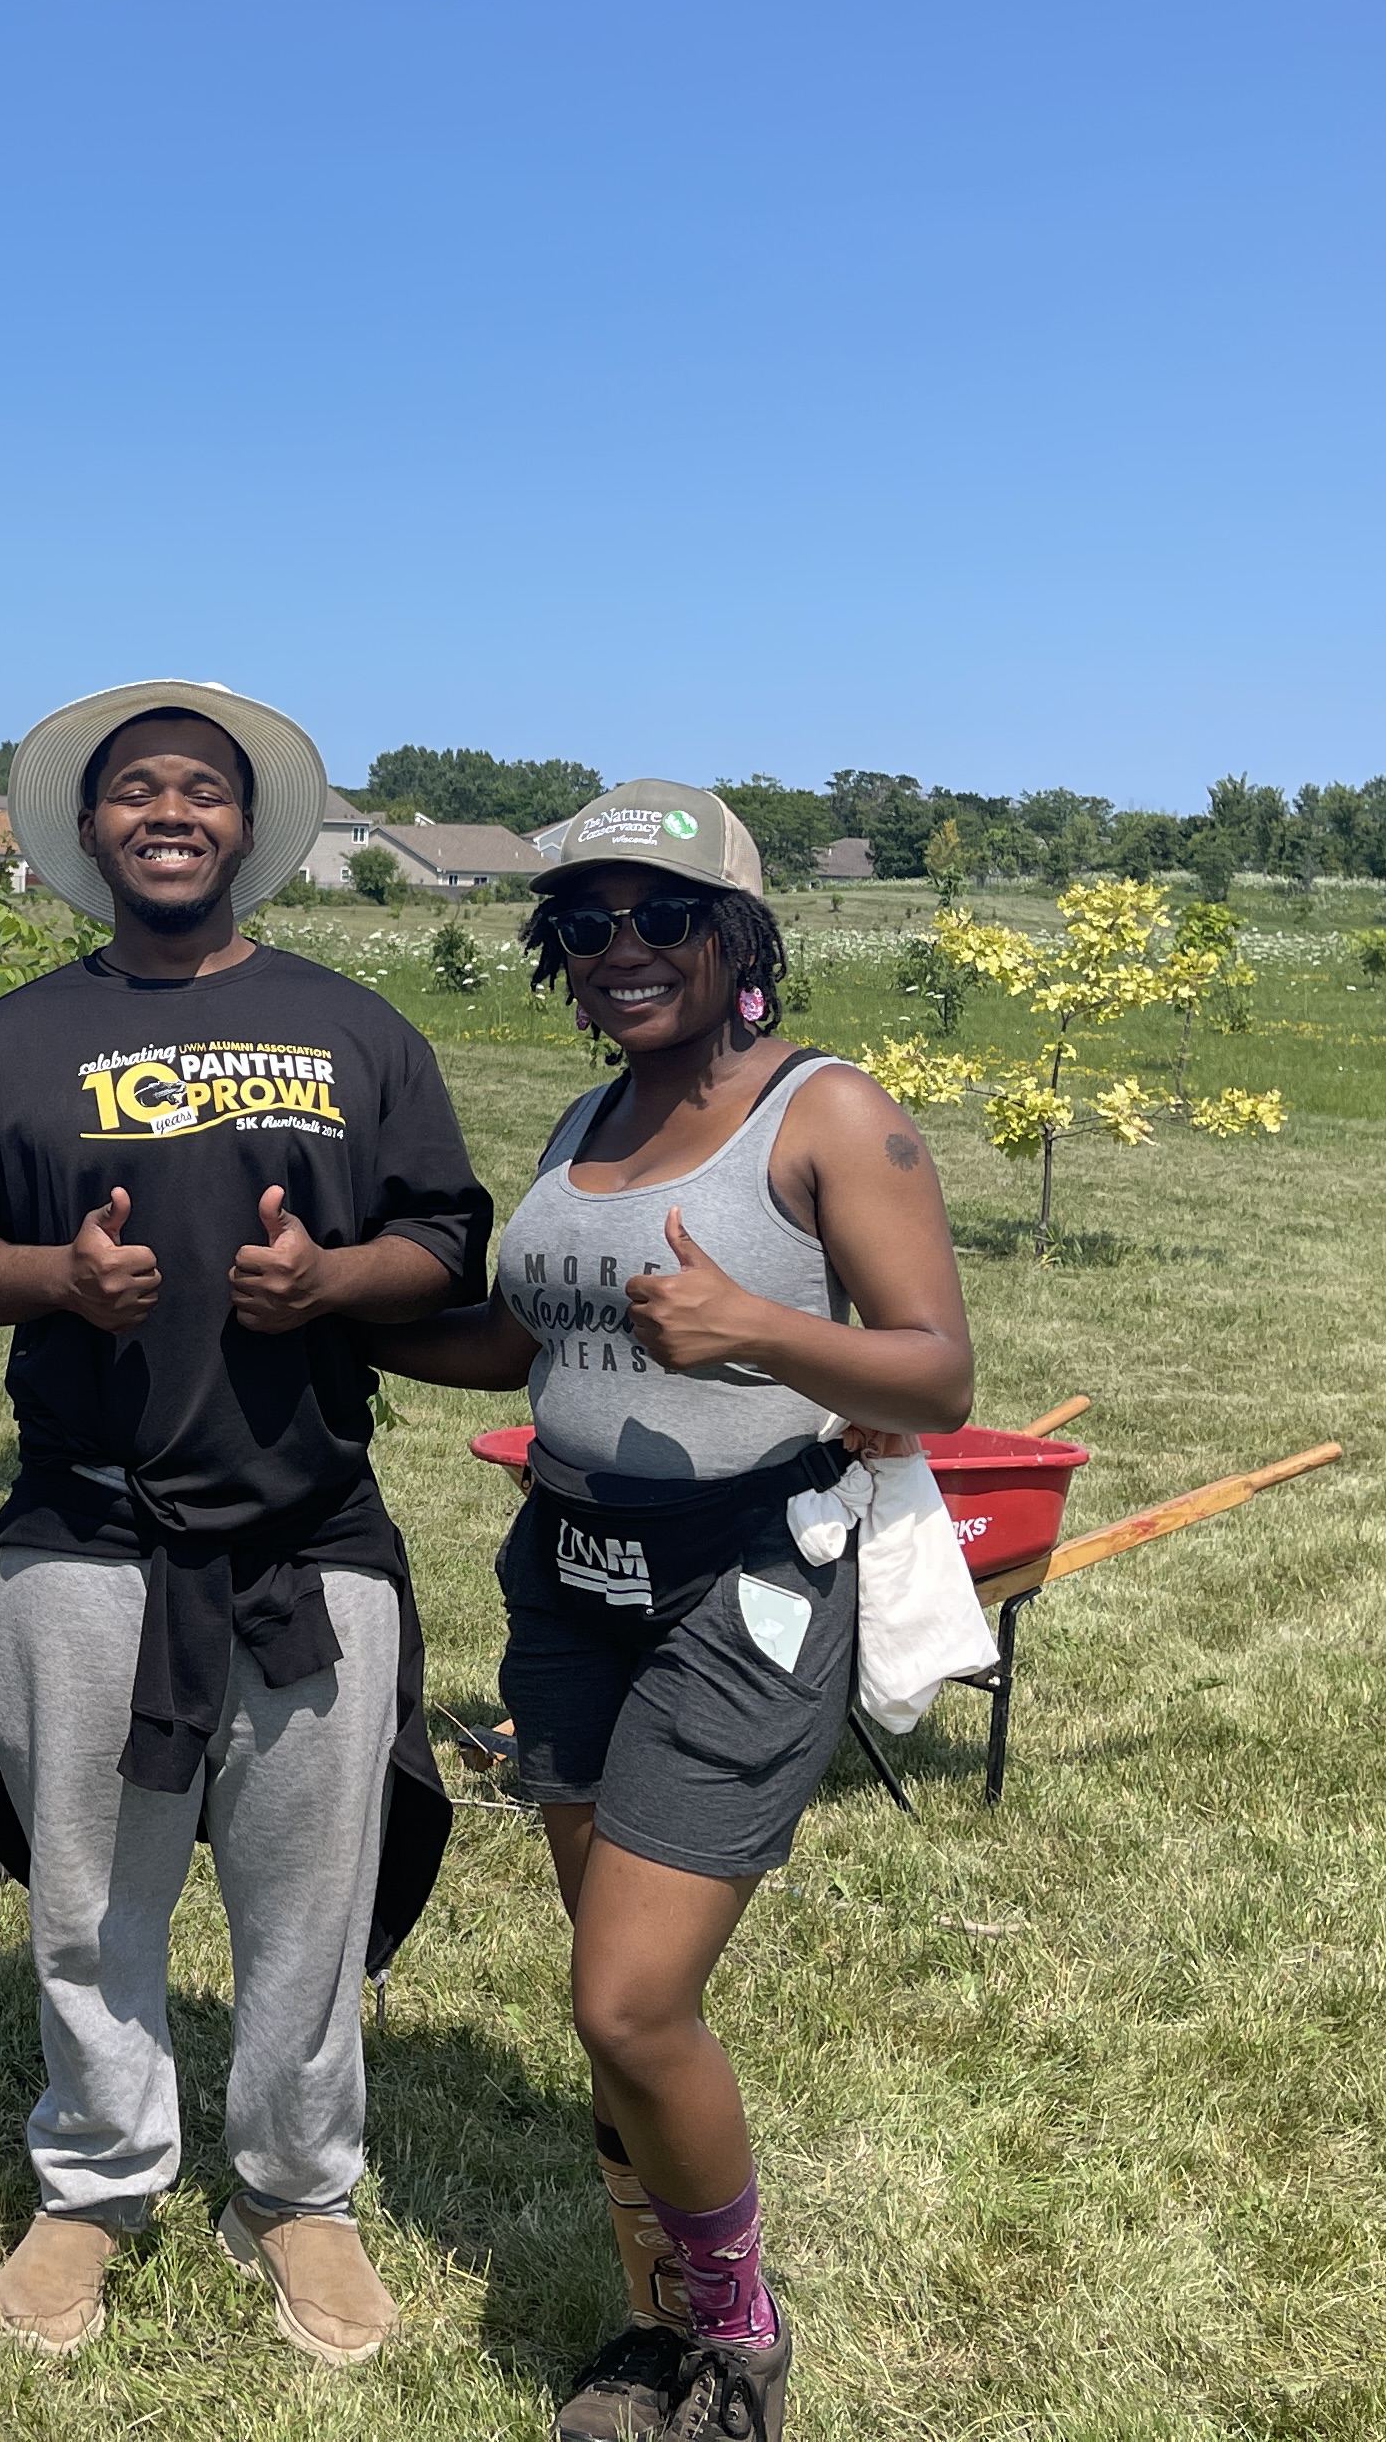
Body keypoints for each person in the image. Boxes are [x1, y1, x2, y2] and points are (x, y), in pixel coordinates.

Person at [362, 781, 975, 2442]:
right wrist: (323, 1321)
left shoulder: (829, 1115)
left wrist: (761, 1336)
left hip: (743, 1583)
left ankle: (739, 2345)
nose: (620, 951)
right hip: (569, 1576)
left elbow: (936, 1369)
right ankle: (654, 2326)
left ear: (738, 939)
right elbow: (526, 1345)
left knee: (629, 2000)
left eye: (661, 919)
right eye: (585, 924)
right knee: (613, 1995)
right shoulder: (581, 1124)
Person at [0, 682, 492, 2368]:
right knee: (93, 1900)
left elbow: (447, 1239)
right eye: (136, 791)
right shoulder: (14, 1041)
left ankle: (297, 2191)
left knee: (309, 1901)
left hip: (311, 1541)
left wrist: (333, 1281)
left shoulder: (355, 1028)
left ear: (250, 827)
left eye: (204, 792)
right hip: (88, 1538)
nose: (171, 812)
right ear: (88, 832)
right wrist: (58, 1281)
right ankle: (93, 2181)